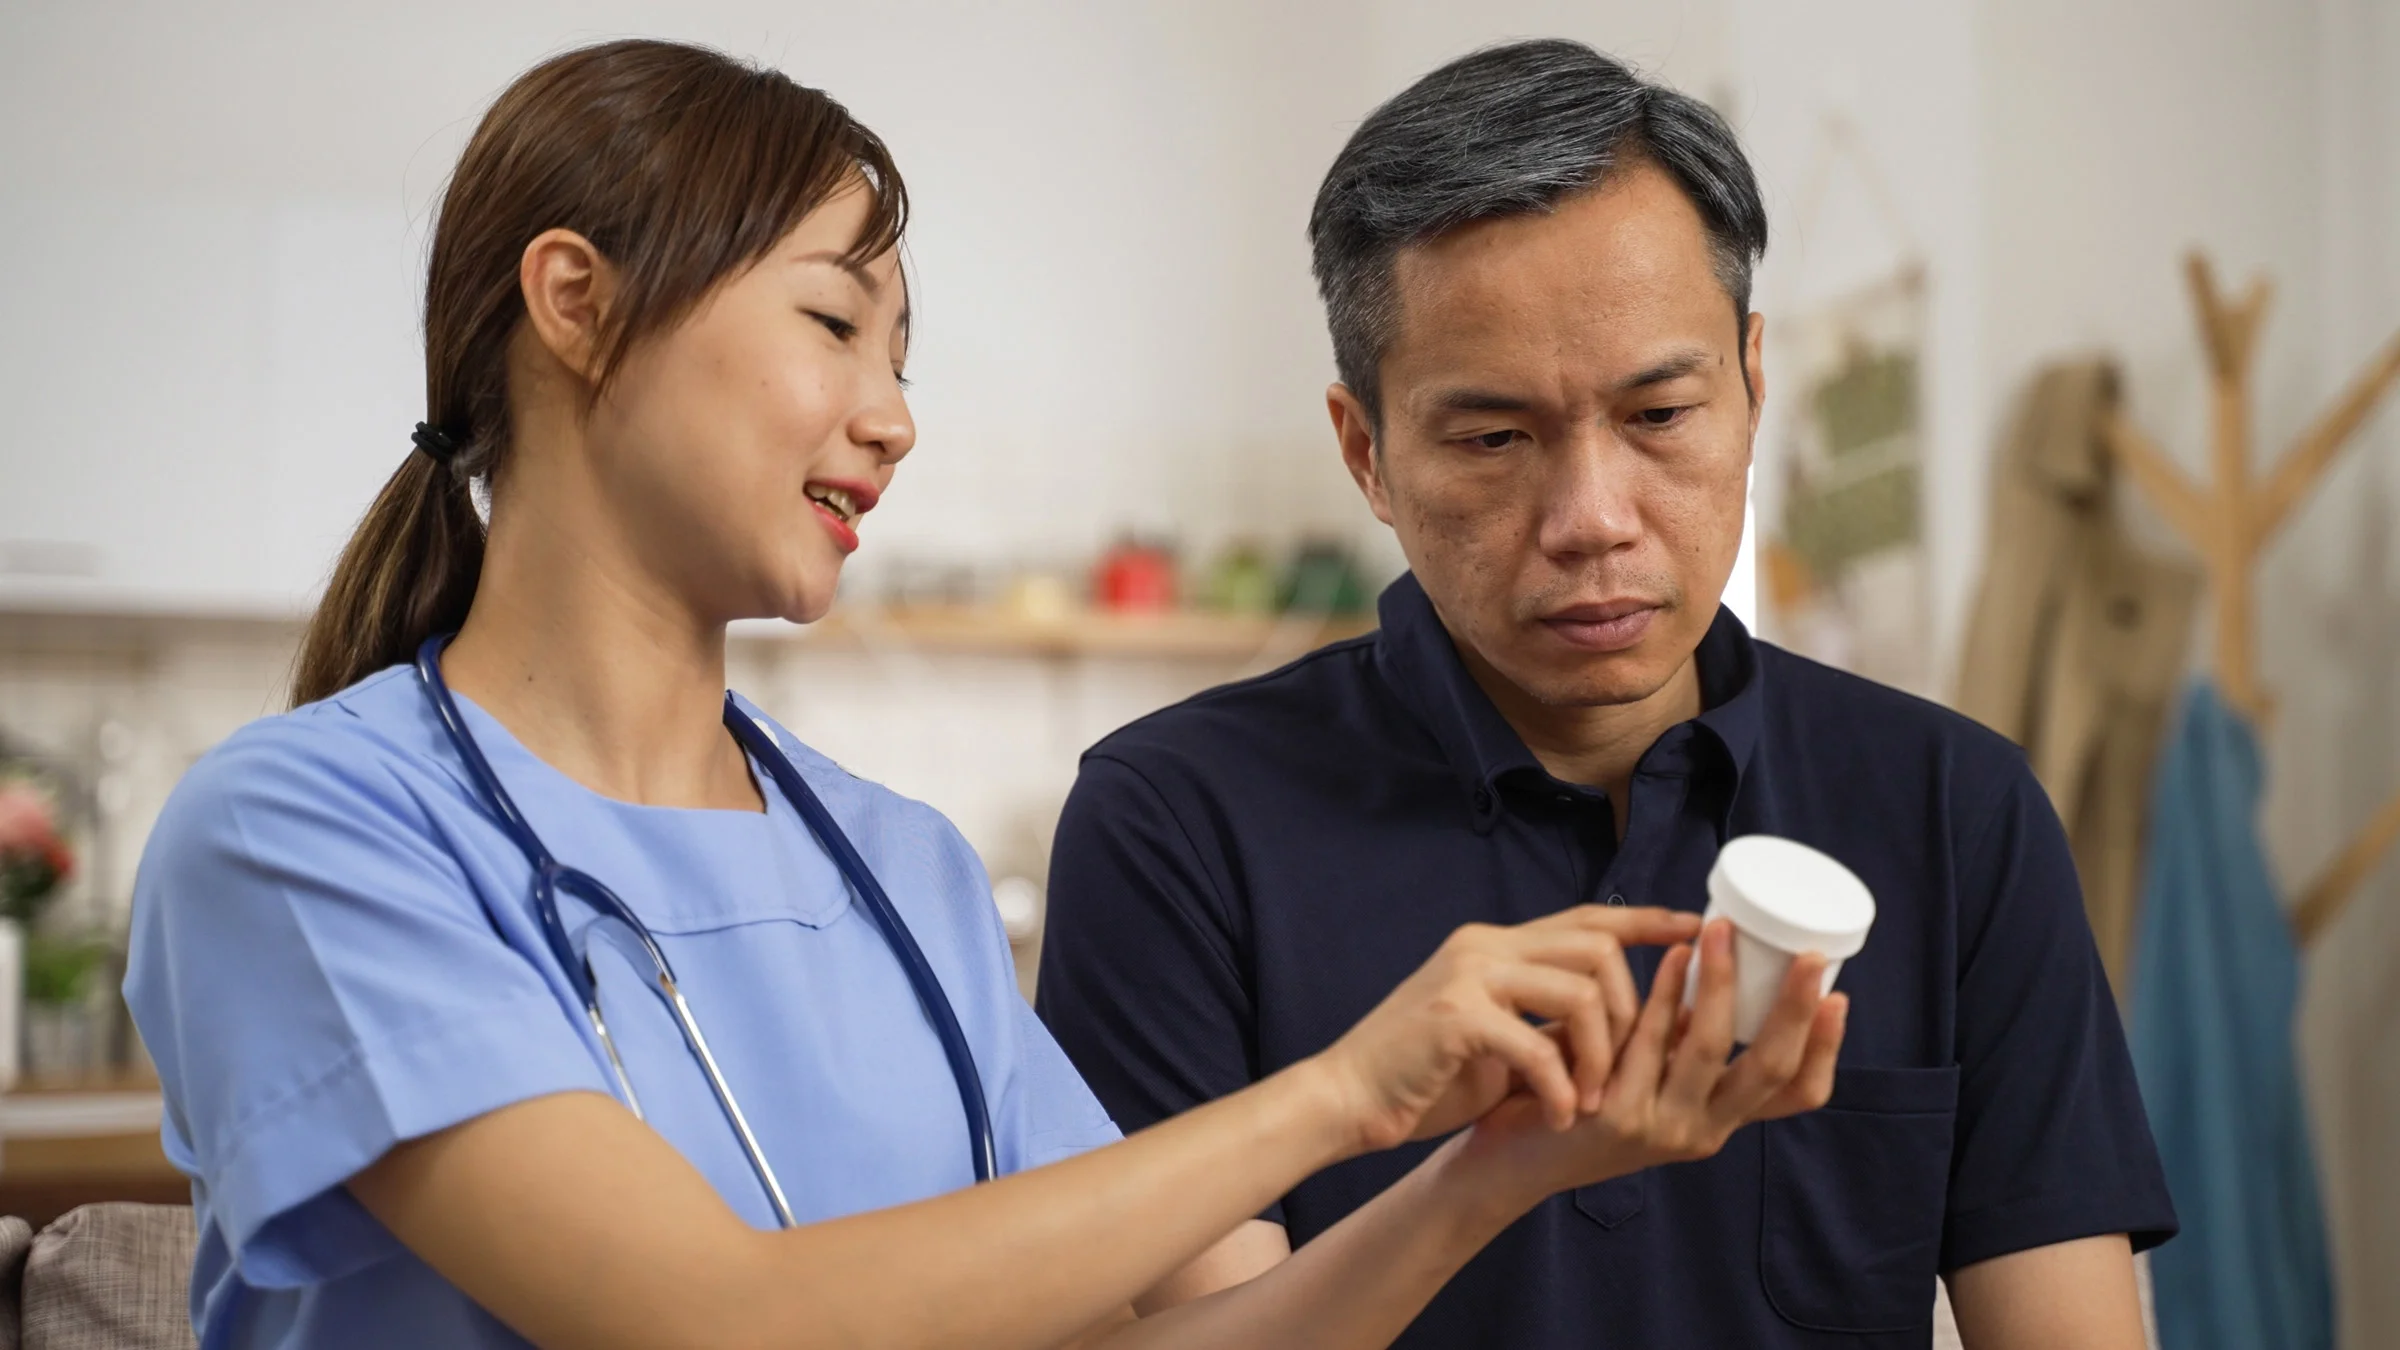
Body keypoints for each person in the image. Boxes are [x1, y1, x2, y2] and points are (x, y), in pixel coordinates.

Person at [122, 39, 1849, 1350]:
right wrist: (1346, 1089)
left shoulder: (894, 868)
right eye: (833, 323)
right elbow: (711, 1319)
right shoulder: (306, 834)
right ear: (576, 303)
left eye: (902, 354)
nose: (893, 416)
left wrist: (1503, 1164)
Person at [1037, 38, 2178, 1350]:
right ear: (1368, 451)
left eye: (1658, 416)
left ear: (1752, 386)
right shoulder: (1177, 823)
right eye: (1495, 437)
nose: (1592, 518)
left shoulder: (1955, 810)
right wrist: (1486, 1175)